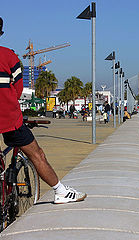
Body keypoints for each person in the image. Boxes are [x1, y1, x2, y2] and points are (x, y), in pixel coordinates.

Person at [0, 17, 86, 204]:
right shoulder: (8, 56)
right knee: (36, 154)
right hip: (9, 119)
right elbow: (17, 91)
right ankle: (60, 192)